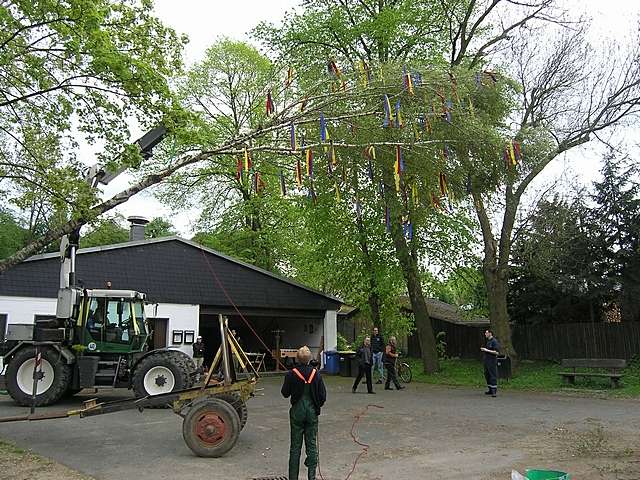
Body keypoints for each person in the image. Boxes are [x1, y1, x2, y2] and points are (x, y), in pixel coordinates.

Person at [281, 346, 327, 480]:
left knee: (295, 447)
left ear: (297, 359)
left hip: (297, 411)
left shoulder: (291, 373)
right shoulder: (316, 374)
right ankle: (311, 476)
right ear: (310, 359)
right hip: (311, 411)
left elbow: (285, 393)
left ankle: (293, 477)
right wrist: (317, 405)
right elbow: (323, 396)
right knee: (312, 445)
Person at [481, 329, 500, 397]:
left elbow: (497, 352)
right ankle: (490, 389)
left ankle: (494, 391)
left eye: (486, 333)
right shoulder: (488, 341)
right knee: (487, 374)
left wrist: (486, 350)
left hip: (492, 361)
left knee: (492, 375)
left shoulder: (494, 341)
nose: (485, 334)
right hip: (487, 361)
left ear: (490, 333)